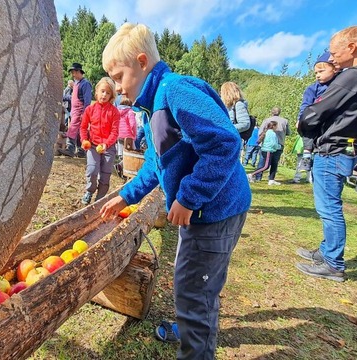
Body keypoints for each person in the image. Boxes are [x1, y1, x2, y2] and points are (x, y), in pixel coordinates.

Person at [99, 23, 251, 360]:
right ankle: (191, 322)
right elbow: (156, 163)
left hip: (214, 209)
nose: (117, 87)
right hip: (200, 210)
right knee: (194, 278)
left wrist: (188, 196)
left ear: (141, 62)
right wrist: (127, 195)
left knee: (194, 287)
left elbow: (225, 142)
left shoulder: (175, 91)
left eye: (119, 76)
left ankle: (195, 345)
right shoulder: (151, 107)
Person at [296, 25, 357, 282]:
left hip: (332, 148)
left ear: (352, 47)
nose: (331, 58)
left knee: (328, 206)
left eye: (333, 52)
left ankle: (333, 263)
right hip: (351, 148)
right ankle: (327, 250)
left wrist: (304, 122)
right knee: (330, 203)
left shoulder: (352, 77)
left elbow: (317, 112)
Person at [296, 51, 339, 176]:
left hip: (331, 121)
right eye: (316, 73)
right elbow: (305, 105)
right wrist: (300, 119)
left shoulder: (339, 84)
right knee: (307, 131)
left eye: (321, 72)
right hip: (314, 117)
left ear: (335, 69)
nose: (317, 75)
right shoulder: (313, 88)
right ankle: (307, 155)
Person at [79, 77, 120, 205]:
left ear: (111, 95)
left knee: (105, 174)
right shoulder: (90, 109)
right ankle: (90, 191)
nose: (104, 95)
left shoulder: (114, 112)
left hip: (109, 147)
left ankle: (100, 198)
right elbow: (83, 127)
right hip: (92, 146)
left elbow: (115, 132)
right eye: (102, 91)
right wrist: (84, 139)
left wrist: (106, 144)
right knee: (92, 170)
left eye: (108, 93)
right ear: (96, 92)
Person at [60, 63, 93, 158]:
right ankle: (81, 151)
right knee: (78, 132)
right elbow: (73, 97)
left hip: (80, 111)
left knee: (72, 129)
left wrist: (84, 113)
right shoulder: (76, 84)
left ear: (79, 72)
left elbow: (87, 100)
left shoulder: (85, 84)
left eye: (74, 72)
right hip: (74, 111)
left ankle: (70, 149)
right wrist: (62, 97)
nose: (73, 75)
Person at [254, 107, 291, 184]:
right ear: (279, 112)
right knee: (275, 162)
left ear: (271, 112)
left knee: (262, 161)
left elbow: (260, 131)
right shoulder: (285, 121)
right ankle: (271, 178)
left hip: (266, 144)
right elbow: (288, 133)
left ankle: (258, 177)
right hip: (279, 144)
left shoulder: (267, 120)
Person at [114, 96, 137, 178]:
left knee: (121, 153)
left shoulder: (117, 111)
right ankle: (122, 167)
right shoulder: (130, 111)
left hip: (119, 135)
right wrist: (134, 134)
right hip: (128, 135)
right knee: (129, 152)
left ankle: (122, 170)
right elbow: (133, 124)